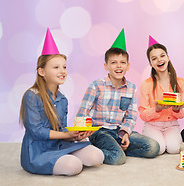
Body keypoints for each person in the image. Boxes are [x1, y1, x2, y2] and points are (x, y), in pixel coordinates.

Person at [20, 29, 103, 176]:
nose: (62, 71)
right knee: (73, 166)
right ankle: (63, 160)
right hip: (38, 151)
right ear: (42, 72)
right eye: (56, 67)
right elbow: (37, 131)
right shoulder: (31, 96)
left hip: (60, 145)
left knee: (97, 156)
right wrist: (66, 136)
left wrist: (75, 136)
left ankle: (64, 157)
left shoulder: (62, 99)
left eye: (64, 67)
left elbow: (61, 129)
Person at [77, 29, 159, 165]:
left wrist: (125, 133)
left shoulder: (131, 88)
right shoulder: (96, 86)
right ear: (106, 66)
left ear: (128, 66)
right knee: (118, 159)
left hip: (119, 131)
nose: (118, 66)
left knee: (153, 147)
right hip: (99, 132)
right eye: (114, 62)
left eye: (122, 62)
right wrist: (82, 135)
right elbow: (82, 113)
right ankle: (93, 150)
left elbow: (131, 115)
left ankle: (116, 148)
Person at [139, 39, 184, 155]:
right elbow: (143, 115)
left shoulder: (179, 82)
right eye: (154, 58)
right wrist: (156, 109)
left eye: (162, 56)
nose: (159, 60)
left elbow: (181, 114)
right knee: (158, 149)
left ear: (168, 58)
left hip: (172, 125)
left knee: (174, 149)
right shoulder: (146, 84)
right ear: (150, 64)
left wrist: (177, 109)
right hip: (153, 125)